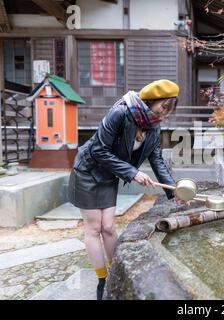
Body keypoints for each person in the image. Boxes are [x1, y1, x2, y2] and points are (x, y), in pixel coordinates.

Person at [68, 79, 186, 300]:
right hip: (88, 171)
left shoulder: (153, 124)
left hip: (109, 175)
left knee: (109, 227)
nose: (164, 113)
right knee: (94, 228)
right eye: (163, 107)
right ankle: (102, 279)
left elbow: (157, 159)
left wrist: (174, 192)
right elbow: (98, 150)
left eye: (169, 109)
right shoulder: (121, 113)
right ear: (152, 101)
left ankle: (116, 271)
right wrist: (132, 172)